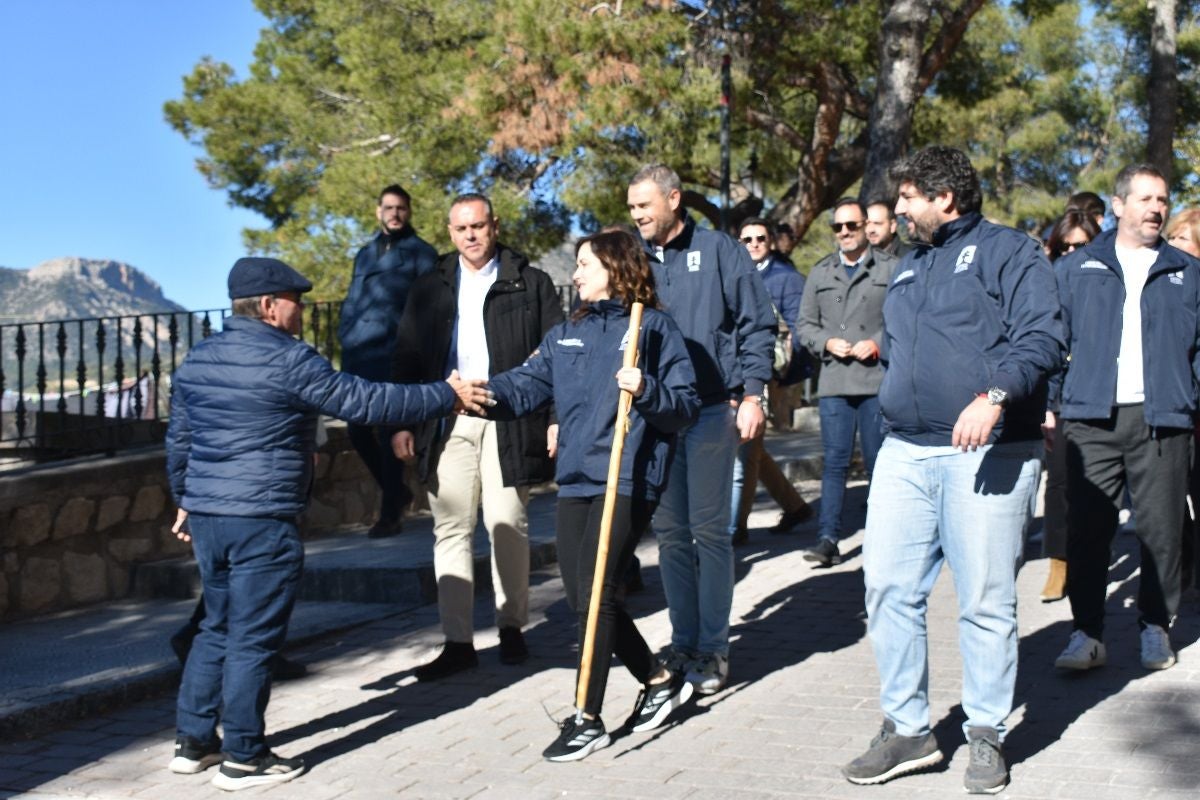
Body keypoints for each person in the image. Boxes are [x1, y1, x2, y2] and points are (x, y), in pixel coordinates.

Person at [165, 257, 488, 790]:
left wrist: (184, 498)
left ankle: (193, 742)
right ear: (270, 306)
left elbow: (179, 440)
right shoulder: (288, 359)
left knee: (215, 628)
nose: (303, 308)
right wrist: (445, 395)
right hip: (261, 519)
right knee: (252, 637)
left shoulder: (199, 359)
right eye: (296, 298)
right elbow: (365, 400)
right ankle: (243, 755)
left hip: (209, 517)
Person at [842, 146, 1063, 794]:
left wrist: (994, 395)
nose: (899, 209)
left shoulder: (1009, 252)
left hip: (987, 456)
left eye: (908, 197)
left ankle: (987, 732)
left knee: (987, 602)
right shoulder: (910, 266)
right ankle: (909, 730)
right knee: (885, 588)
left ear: (945, 197)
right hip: (904, 454)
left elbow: (1043, 337)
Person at [486, 230, 700, 761]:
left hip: (627, 475)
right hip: (578, 476)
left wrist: (647, 389)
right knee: (584, 598)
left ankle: (587, 716)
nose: (575, 274)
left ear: (614, 266)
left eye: (584, 264)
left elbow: (685, 407)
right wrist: (477, 396)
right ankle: (659, 679)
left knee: (597, 594)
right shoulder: (565, 334)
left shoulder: (653, 329)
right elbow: (524, 385)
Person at [390, 193, 563, 681]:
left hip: (510, 414)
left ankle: (512, 628)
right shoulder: (429, 287)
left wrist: (554, 415)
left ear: (495, 226)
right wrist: (402, 421)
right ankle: (458, 642)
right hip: (447, 416)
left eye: (479, 226)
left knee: (507, 521)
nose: (471, 235)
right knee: (451, 528)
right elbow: (405, 357)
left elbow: (556, 355)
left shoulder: (530, 282)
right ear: (449, 232)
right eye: (462, 228)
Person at [626, 164, 775, 695]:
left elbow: (755, 322)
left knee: (709, 533)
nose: (637, 215)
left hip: (714, 411)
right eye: (632, 207)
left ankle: (713, 649)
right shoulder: (633, 257)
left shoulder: (720, 251)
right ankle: (683, 640)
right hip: (656, 417)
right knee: (669, 536)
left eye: (644, 205)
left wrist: (754, 392)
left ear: (673, 199)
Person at [1052, 165, 1200, 675]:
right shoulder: (1077, 268)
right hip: (1091, 419)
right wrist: (1055, 405)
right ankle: (1087, 634)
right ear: (1118, 206)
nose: (1157, 208)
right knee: (1088, 532)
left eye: (1163, 198)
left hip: (1163, 420)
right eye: (1145, 199)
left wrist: (1189, 398)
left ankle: (1155, 627)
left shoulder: (1187, 270)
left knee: (1161, 530)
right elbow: (1052, 340)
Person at [797, 198, 897, 567]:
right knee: (835, 463)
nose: (844, 233)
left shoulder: (890, 267)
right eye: (837, 227)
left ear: (865, 227)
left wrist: (877, 343)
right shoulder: (821, 273)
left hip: (874, 381)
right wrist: (825, 342)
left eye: (851, 226)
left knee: (878, 464)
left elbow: (904, 318)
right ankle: (828, 538)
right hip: (836, 381)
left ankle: (884, 538)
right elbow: (804, 324)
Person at [338, 184, 438, 537]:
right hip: (360, 354)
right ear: (378, 211)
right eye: (388, 208)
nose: (394, 213)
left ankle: (390, 512)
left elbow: (430, 306)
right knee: (356, 428)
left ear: (408, 212)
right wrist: (345, 334)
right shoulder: (364, 254)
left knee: (388, 430)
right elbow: (353, 299)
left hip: (396, 354)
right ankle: (397, 492)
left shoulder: (421, 254)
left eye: (401, 208)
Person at [729, 217, 814, 545]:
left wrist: (784, 374)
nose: (753, 244)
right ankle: (794, 506)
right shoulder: (735, 275)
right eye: (746, 238)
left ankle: (736, 525)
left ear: (771, 241)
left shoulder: (786, 278)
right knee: (754, 447)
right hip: (740, 370)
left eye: (760, 238)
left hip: (766, 371)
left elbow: (799, 328)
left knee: (747, 448)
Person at [1037, 210, 1102, 602]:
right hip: (1061, 398)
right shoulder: (1049, 282)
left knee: (1100, 488)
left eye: (1083, 246)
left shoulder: (1109, 280)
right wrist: (1046, 405)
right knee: (1058, 482)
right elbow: (1046, 347)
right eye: (1066, 247)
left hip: (1104, 397)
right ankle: (1058, 564)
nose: (1074, 254)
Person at [1166, 207, 1200, 592]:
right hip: (1174, 410)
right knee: (1171, 505)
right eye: (1171, 237)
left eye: (1183, 238)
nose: (1173, 246)